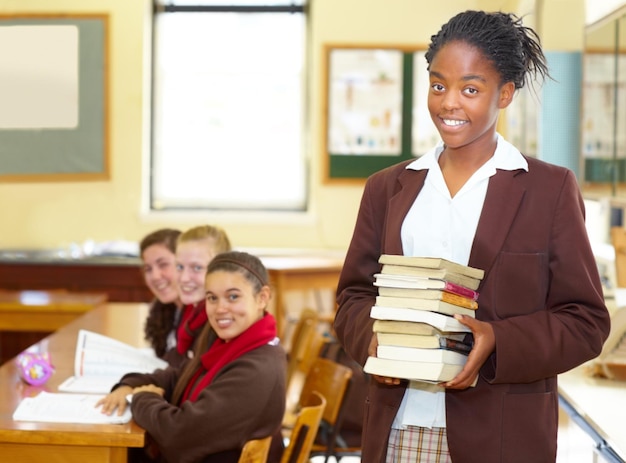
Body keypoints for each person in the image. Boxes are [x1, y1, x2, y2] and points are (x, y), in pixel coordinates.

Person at [333, 10, 611, 463]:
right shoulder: (387, 188)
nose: (449, 104)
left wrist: (498, 340)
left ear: (504, 94)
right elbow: (353, 297)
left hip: (501, 438)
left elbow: (586, 322)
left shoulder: (549, 190)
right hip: (398, 427)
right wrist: (371, 339)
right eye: (438, 85)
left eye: (470, 89)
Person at [97, 251, 286, 463]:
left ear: (262, 298)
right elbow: (180, 377)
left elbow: (178, 434)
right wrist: (130, 385)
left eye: (233, 296)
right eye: (212, 298)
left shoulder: (257, 369)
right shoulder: (228, 343)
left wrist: (143, 398)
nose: (220, 309)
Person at [173, 225, 232, 365]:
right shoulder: (191, 310)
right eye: (179, 267)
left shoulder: (220, 323)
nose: (184, 278)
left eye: (197, 268)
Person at [139, 228, 183, 364]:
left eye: (163, 265)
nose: (155, 276)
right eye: (148, 269)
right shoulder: (164, 311)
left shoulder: (206, 314)